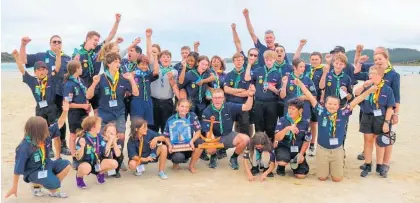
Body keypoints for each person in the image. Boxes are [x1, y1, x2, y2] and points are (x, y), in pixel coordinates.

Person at [295, 76, 376, 182]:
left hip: (337, 150)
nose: (332, 106)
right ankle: (325, 166)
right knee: (322, 178)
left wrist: (369, 90)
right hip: (322, 149)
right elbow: (310, 97)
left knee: (337, 179)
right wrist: (300, 84)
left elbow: (357, 100)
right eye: (329, 104)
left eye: (334, 104)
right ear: (325, 104)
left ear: (338, 106)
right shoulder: (321, 111)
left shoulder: (343, 113)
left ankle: (339, 162)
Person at [4, 100, 71, 199]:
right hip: (33, 171)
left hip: (46, 164)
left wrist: (65, 111)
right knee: (54, 182)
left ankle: (50, 186)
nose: (47, 128)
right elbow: (18, 168)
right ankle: (39, 185)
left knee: (66, 164)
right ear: (38, 131)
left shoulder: (45, 135)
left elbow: (59, 124)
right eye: (45, 127)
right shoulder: (24, 147)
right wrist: (14, 187)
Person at [19, 35, 72, 156]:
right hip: (47, 94)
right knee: (44, 122)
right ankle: (49, 147)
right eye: (54, 41)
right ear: (50, 43)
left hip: (62, 93)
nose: (57, 43)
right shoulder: (41, 56)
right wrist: (23, 45)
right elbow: (24, 60)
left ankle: (62, 144)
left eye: (59, 42)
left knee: (61, 120)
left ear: (62, 44)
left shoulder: (67, 58)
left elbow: (71, 74)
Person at [189, 88, 254, 172]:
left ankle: (234, 158)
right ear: (212, 99)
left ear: (223, 98)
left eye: (220, 97)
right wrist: (213, 143)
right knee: (210, 148)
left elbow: (247, 107)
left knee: (246, 139)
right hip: (215, 136)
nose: (217, 100)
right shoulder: (206, 111)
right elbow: (209, 132)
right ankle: (213, 155)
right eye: (215, 98)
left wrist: (250, 95)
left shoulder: (229, 106)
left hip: (228, 135)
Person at [86, 52, 139, 154]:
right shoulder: (100, 78)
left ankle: (119, 158)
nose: (118, 64)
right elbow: (88, 96)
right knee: (103, 137)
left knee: (121, 136)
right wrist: (94, 84)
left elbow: (136, 93)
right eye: (115, 62)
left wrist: (131, 79)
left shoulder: (123, 78)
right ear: (108, 64)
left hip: (119, 112)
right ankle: (104, 157)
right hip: (103, 113)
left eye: (119, 61)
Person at [13, 50, 62, 159]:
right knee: (40, 133)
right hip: (40, 109)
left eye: (44, 69)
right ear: (35, 72)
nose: (41, 71)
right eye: (39, 70)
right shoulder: (32, 81)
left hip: (51, 108)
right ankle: (45, 153)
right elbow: (22, 70)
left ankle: (58, 157)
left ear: (47, 70)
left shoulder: (51, 79)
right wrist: (17, 58)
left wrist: (58, 55)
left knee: (56, 134)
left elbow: (57, 67)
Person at [73, 13, 121, 116]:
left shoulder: (97, 50)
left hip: (95, 85)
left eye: (98, 40)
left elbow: (110, 36)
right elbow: (73, 72)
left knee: (97, 113)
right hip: (82, 87)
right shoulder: (78, 53)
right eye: (95, 40)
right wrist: (75, 62)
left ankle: (98, 131)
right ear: (87, 39)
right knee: (83, 114)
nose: (96, 42)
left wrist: (117, 22)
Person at [356, 65, 395, 178]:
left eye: (373, 74)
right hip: (367, 116)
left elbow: (389, 108)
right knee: (367, 141)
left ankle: (379, 165)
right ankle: (368, 164)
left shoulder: (387, 89)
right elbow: (357, 94)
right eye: (370, 73)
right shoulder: (367, 87)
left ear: (380, 75)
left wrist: (387, 122)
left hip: (381, 118)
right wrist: (364, 85)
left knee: (379, 141)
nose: (370, 76)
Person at [245, 50, 281, 141]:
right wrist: (249, 64)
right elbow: (248, 79)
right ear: (264, 60)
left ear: (275, 60)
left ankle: (270, 148)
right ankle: (258, 148)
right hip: (258, 102)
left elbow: (280, 93)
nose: (268, 62)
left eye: (271, 60)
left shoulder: (278, 73)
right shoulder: (258, 70)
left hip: (272, 103)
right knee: (258, 126)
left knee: (271, 126)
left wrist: (273, 89)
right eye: (266, 60)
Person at [74, 116, 118, 188]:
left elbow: (106, 154)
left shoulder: (99, 137)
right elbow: (78, 157)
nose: (101, 126)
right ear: (93, 127)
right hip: (85, 162)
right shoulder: (81, 138)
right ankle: (79, 177)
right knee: (85, 168)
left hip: (97, 162)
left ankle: (100, 173)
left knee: (114, 163)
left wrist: (110, 140)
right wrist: (82, 147)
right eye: (99, 124)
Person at [273, 98, 311, 178]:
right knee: (282, 161)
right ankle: (281, 167)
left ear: (300, 111)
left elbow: (306, 140)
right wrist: (287, 128)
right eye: (289, 108)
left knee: (300, 176)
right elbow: (277, 137)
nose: (290, 111)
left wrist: (301, 154)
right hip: (284, 147)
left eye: (293, 109)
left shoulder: (305, 123)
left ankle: (295, 163)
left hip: (297, 150)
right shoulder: (283, 120)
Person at [63, 60, 91, 168]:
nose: (82, 69)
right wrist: (82, 106)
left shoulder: (81, 81)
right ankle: (74, 157)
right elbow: (68, 104)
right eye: (80, 67)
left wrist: (87, 106)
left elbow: (85, 95)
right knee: (74, 135)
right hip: (74, 114)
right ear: (76, 69)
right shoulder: (69, 84)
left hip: (84, 112)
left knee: (84, 134)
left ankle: (83, 155)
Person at [163, 99, 202, 170]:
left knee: (200, 143)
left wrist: (192, 141)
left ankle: (191, 165)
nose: (184, 109)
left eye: (187, 107)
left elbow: (198, 131)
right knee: (178, 157)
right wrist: (169, 145)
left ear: (189, 108)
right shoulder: (171, 119)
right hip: (176, 146)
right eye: (182, 106)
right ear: (177, 107)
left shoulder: (192, 116)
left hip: (189, 144)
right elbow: (166, 136)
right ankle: (175, 163)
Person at [151, 49, 180, 133]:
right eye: (163, 57)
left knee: (166, 126)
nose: (166, 59)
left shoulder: (174, 72)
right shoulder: (156, 69)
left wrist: (171, 79)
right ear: (160, 59)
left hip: (167, 103)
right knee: (153, 126)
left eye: (168, 57)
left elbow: (175, 87)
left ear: (170, 59)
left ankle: (165, 145)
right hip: (154, 101)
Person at [280, 58, 317, 123]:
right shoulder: (287, 78)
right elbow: (282, 96)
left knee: (304, 131)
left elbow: (314, 97)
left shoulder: (307, 79)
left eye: (304, 67)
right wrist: (284, 84)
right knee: (289, 131)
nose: (303, 69)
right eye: (301, 67)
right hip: (290, 112)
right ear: (294, 67)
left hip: (304, 111)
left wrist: (304, 97)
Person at [224, 53, 252, 137]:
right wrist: (239, 90)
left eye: (240, 60)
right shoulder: (229, 75)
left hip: (243, 105)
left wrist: (232, 91)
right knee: (226, 126)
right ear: (233, 62)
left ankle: (247, 147)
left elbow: (248, 92)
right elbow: (226, 90)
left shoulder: (248, 75)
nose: (239, 62)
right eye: (236, 60)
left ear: (243, 61)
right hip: (230, 104)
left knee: (245, 126)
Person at [131, 53, 159, 129]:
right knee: (136, 126)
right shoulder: (133, 75)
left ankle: (145, 140)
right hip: (137, 101)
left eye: (146, 65)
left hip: (148, 101)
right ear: (137, 64)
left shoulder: (148, 74)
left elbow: (156, 71)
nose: (144, 66)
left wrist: (156, 57)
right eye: (142, 64)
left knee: (147, 125)